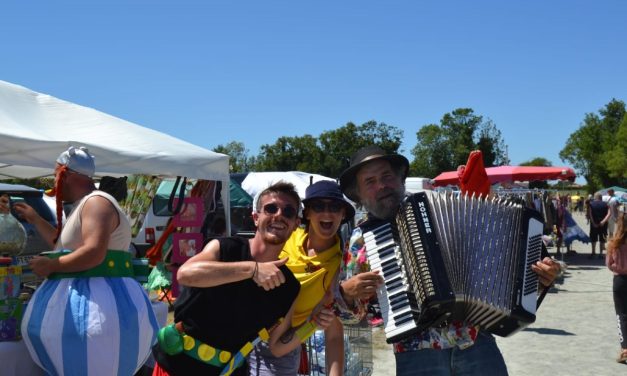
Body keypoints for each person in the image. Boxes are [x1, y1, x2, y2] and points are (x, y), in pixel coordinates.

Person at [338, 145, 561, 376]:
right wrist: (346, 294)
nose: (382, 185)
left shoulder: (437, 206)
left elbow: (497, 261)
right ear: (359, 195)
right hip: (417, 355)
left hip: (476, 343)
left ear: (399, 178)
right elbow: (357, 319)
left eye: (387, 176)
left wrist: (539, 277)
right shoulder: (361, 241)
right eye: (370, 181)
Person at [152, 181, 335, 375]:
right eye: (271, 208)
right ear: (256, 217)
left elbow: (277, 346)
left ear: (296, 225)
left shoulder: (289, 287)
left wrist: (312, 324)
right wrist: (253, 269)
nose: (279, 215)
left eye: (288, 212)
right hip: (176, 367)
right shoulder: (225, 248)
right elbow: (185, 274)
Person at [18, 146, 159, 376]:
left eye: (56, 175)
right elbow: (62, 243)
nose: (54, 183)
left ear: (68, 175)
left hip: (99, 307)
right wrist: (34, 219)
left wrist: (52, 265)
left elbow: (94, 252)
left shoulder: (97, 203)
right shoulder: (86, 205)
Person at [248, 180, 355, 375]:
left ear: (343, 213)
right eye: (318, 206)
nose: (327, 212)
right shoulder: (287, 233)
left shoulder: (340, 266)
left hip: (279, 352)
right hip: (240, 334)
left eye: (335, 206)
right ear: (307, 213)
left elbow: (333, 334)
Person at [606, 207, 627, 363]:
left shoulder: (614, 242)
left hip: (620, 280)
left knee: (622, 315)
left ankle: (625, 349)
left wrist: (619, 268)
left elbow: (609, 264)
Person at [588, 192, 611, 259]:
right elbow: (609, 213)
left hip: (594, 224)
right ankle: (601, 254)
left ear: (595, 197)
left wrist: (593, 223)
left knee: (593, 238)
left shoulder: (591, 204)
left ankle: (593, 253)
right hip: (603, 224)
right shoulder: (606, 204)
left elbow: (590, 214)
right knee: (602, 239)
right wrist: (603, 221)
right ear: (601, 197)